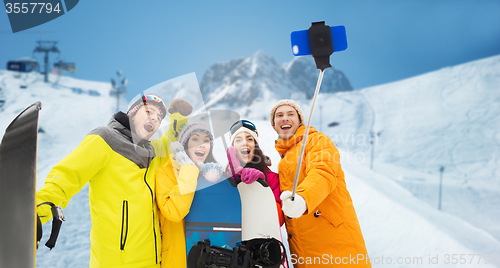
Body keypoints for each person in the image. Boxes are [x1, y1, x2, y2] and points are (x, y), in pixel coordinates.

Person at [36, 94, 193, 268]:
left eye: (158, 118)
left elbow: (172, 140)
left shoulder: (150, 151)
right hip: (115, 262)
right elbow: (68, 175)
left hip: (152, 262)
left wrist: (178, 116)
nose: (154, 119)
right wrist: (37, 210)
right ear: (132, 113)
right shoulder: (105, 138)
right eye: (149, 111)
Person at [270, 99, 371, 268]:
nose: (285, 118)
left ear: (300, 121)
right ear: (274, 125)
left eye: (290, 114)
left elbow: (323, 172)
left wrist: (303, 197)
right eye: (279, 115)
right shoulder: (284, 159)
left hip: (335, 245)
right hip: (305, 253)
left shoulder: (317, 141)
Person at [155, 123, 224, 268]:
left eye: (206, 141)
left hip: (209, 258)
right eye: (195, 139)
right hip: (177, 259)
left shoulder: (213, 176)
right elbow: (173, 212)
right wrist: (189, 170)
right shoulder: (164, 173)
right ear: (184, 144)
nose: (201, 145)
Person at [227, 119, 284, 226]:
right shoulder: (225, 179)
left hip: (263, 239)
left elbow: (278, 220)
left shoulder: (272, 178)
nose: (244, 143)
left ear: (255, 145)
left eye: (249, 139)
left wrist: (260, 186)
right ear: (233, 148)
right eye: (238, 140)